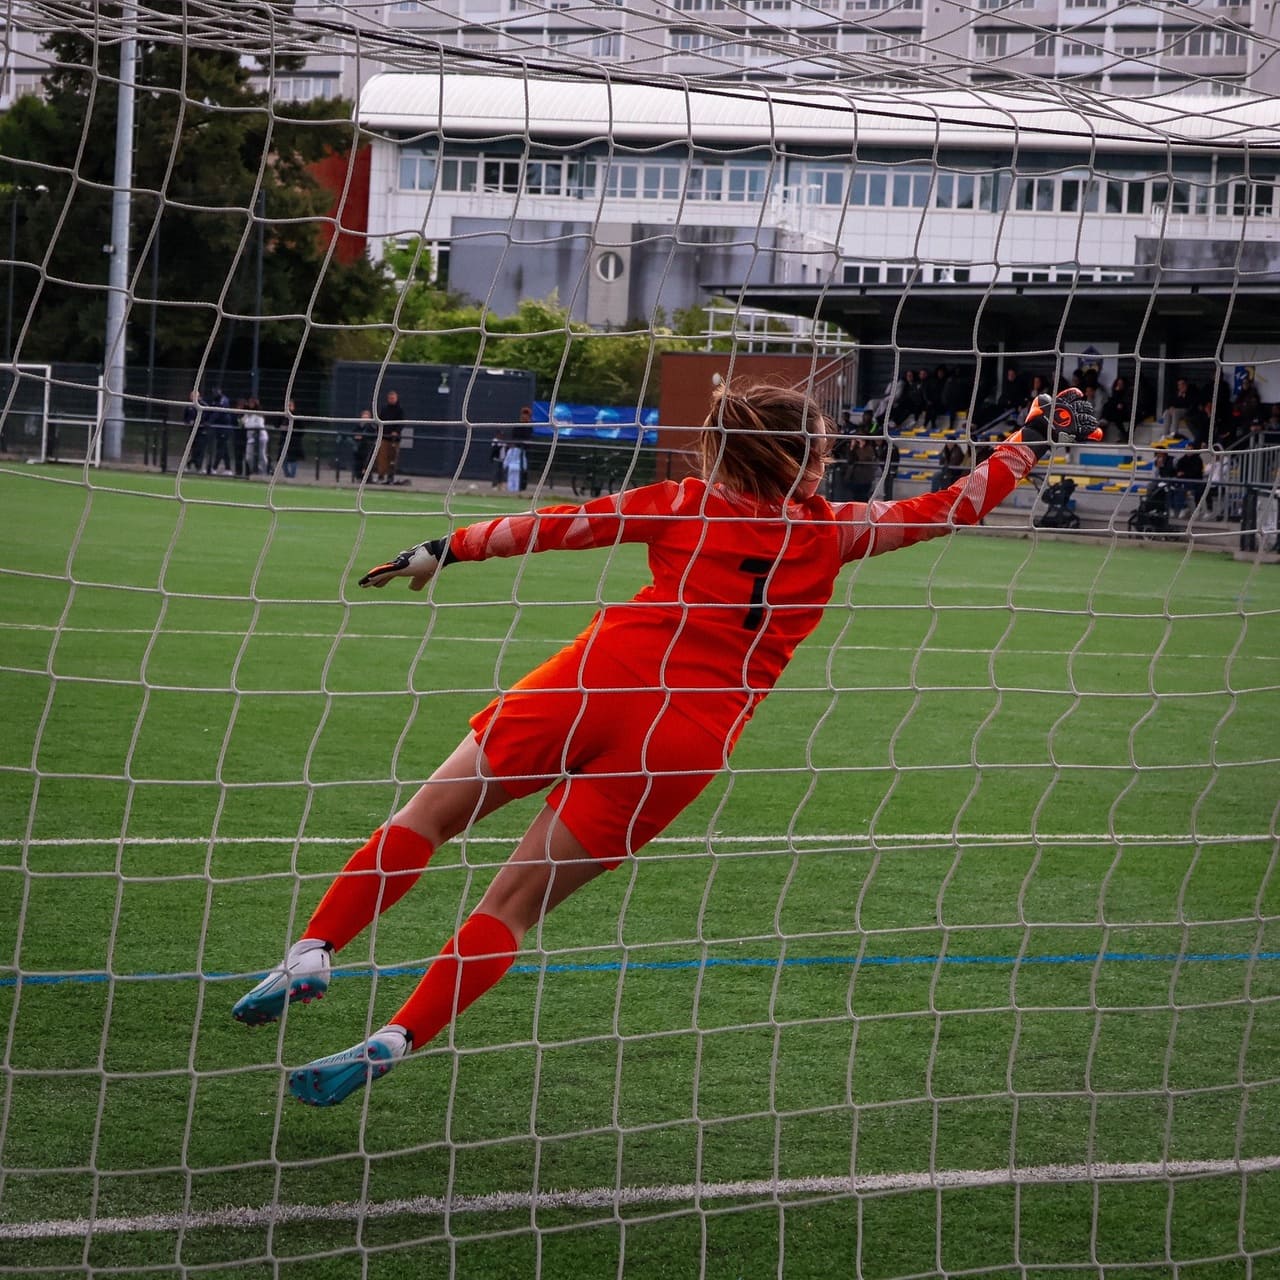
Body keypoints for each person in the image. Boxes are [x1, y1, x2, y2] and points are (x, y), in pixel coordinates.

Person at [231, 381, 1102, 1108]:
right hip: (686, 737)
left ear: (719, 452)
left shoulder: (682, 503)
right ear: (813, 454)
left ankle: (313, 951)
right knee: (510, 908)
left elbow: (561, 524)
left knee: (428, 817)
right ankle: (393, 1037)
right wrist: (1027, 440)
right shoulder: (838, 530)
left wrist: (440, 549)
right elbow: (954, 505)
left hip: (595, 682)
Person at [377, 389, 405, 485]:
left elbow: (402, 423)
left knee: (393, 458)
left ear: (396, 398)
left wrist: (396, 432)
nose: (391, 399)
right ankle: (381, 475)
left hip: (394, 439)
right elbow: (380, 420)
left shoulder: (400, 410)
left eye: (393, 398)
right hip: (384, 437)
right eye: (390, 398)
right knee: (382, 457)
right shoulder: (384, 409)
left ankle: (390, 476)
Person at [181, 389, 206, 474]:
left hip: (201, 431)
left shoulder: (203, 405)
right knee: (192, 449)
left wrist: (201, 423)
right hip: (192, 431)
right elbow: (185, 418)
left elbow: (206, 416)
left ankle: (197, 466)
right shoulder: (188, 406)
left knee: (199, 449)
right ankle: (190, 464)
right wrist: (189, 422)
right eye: (192, 396)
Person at [279, 399, 305, 479]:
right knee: (282, 458)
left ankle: (292, 476)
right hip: (284, 439)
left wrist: (291, 429)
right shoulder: (284, 416)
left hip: (294, 441)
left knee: (293, 459)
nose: (288, 407)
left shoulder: (296, 416)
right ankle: (287, 475)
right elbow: (277, 424)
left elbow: (301, 429)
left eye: (290, 405)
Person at [243, 397, 269, 476]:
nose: (250, 404)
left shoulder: (259, 415)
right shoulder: (247, 414)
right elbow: (242, 422)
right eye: (249, 403)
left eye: (252, 403)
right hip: (251, 438)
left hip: (261, 438)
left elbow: (259, 425)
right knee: (248, 457)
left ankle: (263, 471)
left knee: (261, 455)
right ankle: (254, 470)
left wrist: (247, 424)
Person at [352, 408, 376, 483]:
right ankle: (358, 476)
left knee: (366, 463)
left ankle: (367, 478)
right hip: (358, 447)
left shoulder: (371, 426)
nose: (365, 419)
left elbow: (373, 435)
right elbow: (353, 433)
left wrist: (364, 437)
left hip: (367, 448)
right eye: (364, 417)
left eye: (367, 417)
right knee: (358, 463)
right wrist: (356, 436)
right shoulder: (358, 425)